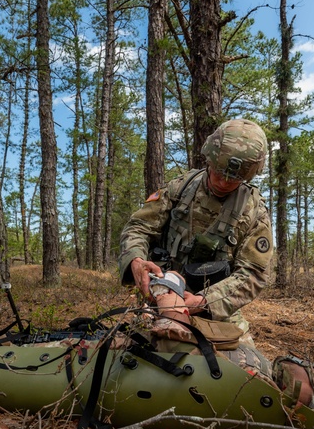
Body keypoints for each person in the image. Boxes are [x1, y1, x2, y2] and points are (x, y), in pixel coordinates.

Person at [117, 118, 274, 371]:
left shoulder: (254, 213)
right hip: (162, 298)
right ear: (209, 159)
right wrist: (136, 260)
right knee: (138, 363)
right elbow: (138, 227)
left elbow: (253, 274)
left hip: (217, 308)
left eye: (233, 179)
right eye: (219, 172)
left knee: (241, 375)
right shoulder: (180, 189)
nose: (223, 182)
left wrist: (203, 301)